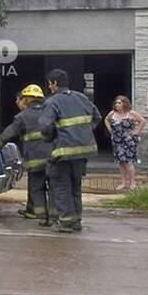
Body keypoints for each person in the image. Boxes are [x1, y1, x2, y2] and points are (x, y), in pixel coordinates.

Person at [38, 69, 101, 233]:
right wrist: (83, 133)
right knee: (75, 186)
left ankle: (66, 222)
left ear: (54, 83)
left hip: (62, 153)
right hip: (82, 152)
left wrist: (49, 139)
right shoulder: (82, 98)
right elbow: (97, 117)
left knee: (61, 187)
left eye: (50, 84)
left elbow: (45, 127)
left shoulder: (52, 102)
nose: (49, 87)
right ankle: (76, 220)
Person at [0, 84, 55, 226]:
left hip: (35, 160)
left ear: (27, 100)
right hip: (53, 159)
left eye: (20, 100)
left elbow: (7, 134)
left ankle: (39, 216)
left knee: (36, 188)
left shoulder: (22, 116)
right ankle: (53, 217)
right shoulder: (51, 111)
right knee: (54, 189)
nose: (18, 103)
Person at [105, 95, 145, 191]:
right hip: (117, 141)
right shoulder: (112, 114)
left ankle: (132, 182)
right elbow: (106, 119)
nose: (117, 105)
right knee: (121, 162)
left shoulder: (131, 113)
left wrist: (136, 131)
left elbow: (142, 121)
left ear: (124, 104)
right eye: (116, 103)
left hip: (128, 141)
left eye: (119, 103)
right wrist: (110, 130)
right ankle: (123, 182)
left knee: (128, 162)